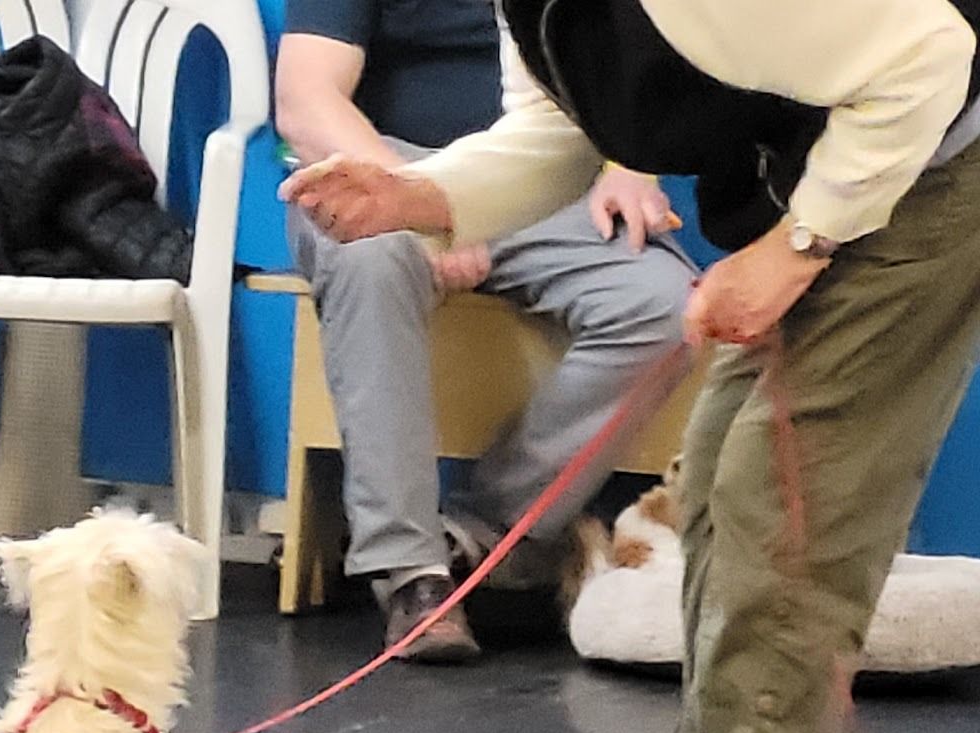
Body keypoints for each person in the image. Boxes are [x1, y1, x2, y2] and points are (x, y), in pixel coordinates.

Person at [283, 0, 980, 733]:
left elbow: (927, 58)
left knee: (781, 517)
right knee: (715, 492)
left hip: (930, 168)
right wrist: (419, 195)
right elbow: (558, 132)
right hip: (836, 165)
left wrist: (795, 250)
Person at [275, 0, 695, 663]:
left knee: (664, 304)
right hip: (386, 165)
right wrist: (415, 198)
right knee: (371, 254)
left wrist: (628, 166)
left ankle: (479, 541)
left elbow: (621, 76)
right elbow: (305, 99)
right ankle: (411, 574)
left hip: (547, 176)